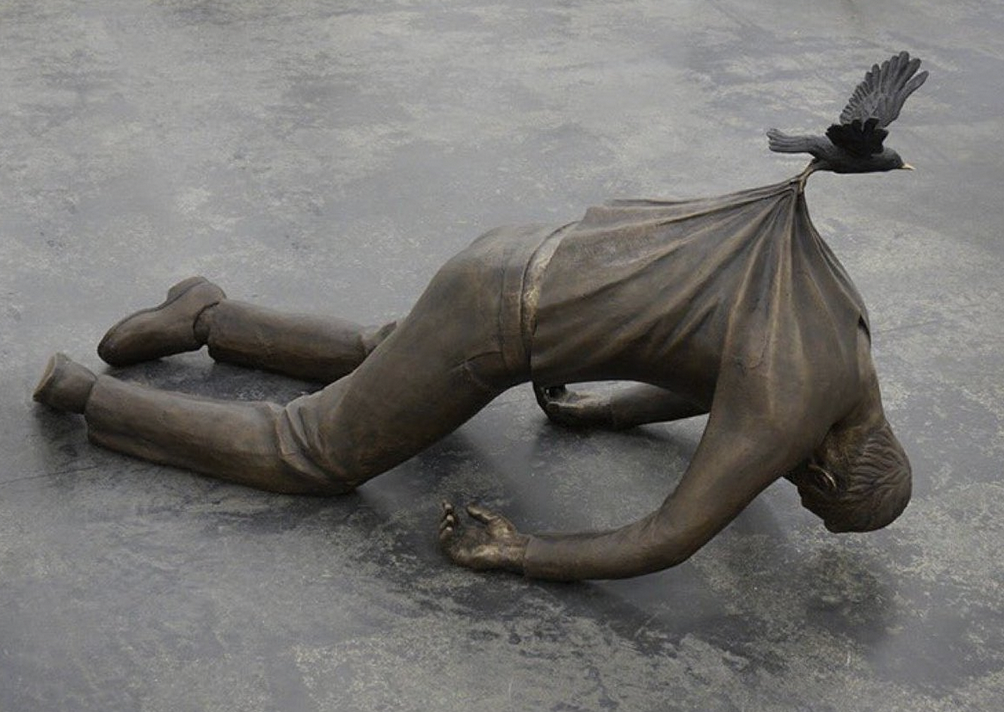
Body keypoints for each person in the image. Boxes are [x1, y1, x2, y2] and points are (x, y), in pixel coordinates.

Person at [33, 172, 912, 581]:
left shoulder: (844, 336)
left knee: (391, 355)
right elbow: (666, 537)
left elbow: (716, 380)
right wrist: (520, 550)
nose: (789, 485)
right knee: (314, 451)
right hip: (505, 315)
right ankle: (89, 396)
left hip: (526, 252)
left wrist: (606, 414)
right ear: (829, 467)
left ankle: (206, 315)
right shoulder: (794, 408)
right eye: (811, 495)